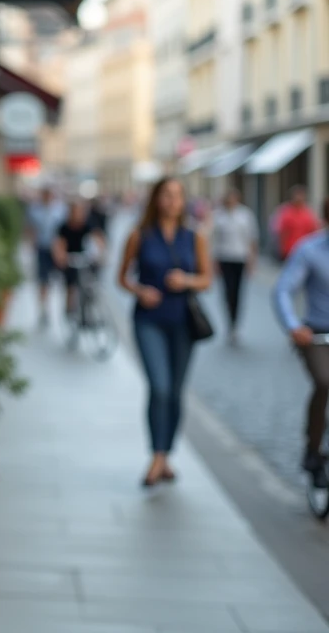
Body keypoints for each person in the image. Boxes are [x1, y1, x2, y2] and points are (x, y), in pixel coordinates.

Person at [117, 177, 213, 487]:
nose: (173, 201)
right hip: (148, 320)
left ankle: (167, 454)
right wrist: (140, 290)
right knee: (159, 387)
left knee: (175, 391)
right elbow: (122, 277)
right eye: (167, 195)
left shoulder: (193, 237)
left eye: (178, 195)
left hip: (183, 322)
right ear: (157, 199)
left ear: (184, 201)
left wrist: (186, 280)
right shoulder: (139, 235)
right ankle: (156, 456)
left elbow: (206, 279)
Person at [271, 198, 329, 491]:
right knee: (324, 382)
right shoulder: (309, 250)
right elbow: (283, 290)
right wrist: (294, 326)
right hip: (317, 333)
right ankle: (313, 450)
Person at [211, 189, 258, 346]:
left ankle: (236, 324)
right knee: (227, 291)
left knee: (237, 292)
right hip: (225, 258)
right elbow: (215, 240)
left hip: (240, 258)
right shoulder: (219, 216)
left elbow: (251, 238)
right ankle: (230, 322)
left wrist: (251, 261)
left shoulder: (245, 215)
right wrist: (214, 262)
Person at [52, 200, 106, 319]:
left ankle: (90, 307)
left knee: (90, 281)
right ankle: (69, 311)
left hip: (83, 256)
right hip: (70, 258)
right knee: (70, 286)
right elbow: (59, 244)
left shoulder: (87, 224)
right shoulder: (64, 227)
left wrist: (101, 254)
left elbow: (98, 238)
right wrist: (60, 257)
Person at [26, 188, 67, 328]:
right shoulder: (34, 210)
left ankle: (68, 309)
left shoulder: (61, 210)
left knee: (65, 280)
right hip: (43, 249)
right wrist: (31, 243)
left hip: (58, 251)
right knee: (43, 281)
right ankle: (44, 310)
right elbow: (30, 229)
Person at [273, 185, 319, 262]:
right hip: (289, 250)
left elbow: (314, 231)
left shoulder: (308, 212)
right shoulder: (285, 212)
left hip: (306, 251)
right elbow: (280, 232)